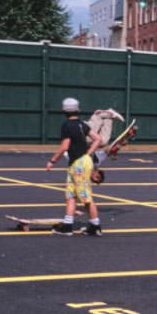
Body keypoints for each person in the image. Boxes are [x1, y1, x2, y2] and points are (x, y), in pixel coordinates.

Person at [46, 97, 103, 236]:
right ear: (78, 110)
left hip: (78, 164)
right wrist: (89, 153)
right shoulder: (82, 124)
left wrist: (52, 161)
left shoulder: (66, 125)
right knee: (71, 194)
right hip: (79, 162)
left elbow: (65, 146)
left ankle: (95, 226)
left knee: (85, 196)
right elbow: (98, 139)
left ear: (64, 111)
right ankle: (68, 224)